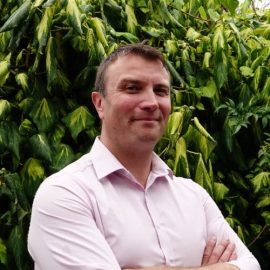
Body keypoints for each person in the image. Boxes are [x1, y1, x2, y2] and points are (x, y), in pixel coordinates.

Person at [28, 43, 261, 270]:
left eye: (160, 91)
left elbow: (251, 265)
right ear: (99, 103)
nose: (151, 102)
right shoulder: (65, 194)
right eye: (132, 88)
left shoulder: (194, 197)